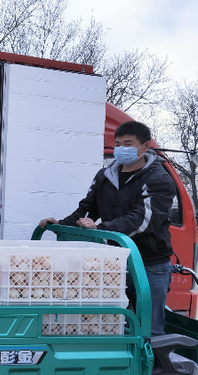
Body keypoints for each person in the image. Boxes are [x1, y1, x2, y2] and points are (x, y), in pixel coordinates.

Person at [40, 121, 176, 336]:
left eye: (128, 144)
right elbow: (87, 208)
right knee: (111, 318)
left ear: (146, 146)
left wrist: (102, 228)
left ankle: (150, 364)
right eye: (118, 144)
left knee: (149, 325)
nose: (122, 149)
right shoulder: (105, 175)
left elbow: (143, 220)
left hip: (148, 262)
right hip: (113, 261)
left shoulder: (158, 179)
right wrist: (61, 224)